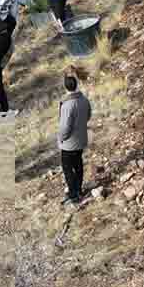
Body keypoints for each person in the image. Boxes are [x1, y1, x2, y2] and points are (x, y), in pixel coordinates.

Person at [58, 75, 92, 204]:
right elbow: (88, 116)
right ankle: (78, 189)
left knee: (68, 169)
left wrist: (61, 138)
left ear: (65, 87)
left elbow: (65, 127)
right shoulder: (84, 100)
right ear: (76, 85)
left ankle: (73, 195)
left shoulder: (67, 105)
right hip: (81, 140)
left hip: (69, 143)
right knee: (78, 166)